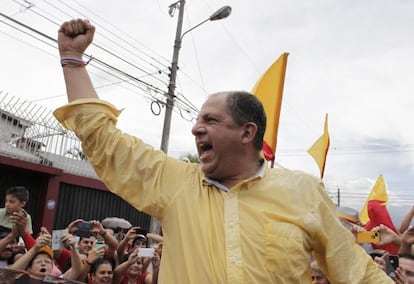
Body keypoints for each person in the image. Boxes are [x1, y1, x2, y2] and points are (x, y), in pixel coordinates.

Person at [54, 19, 392, 283]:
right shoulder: (174, 183)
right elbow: (103, 140)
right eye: (197, 120)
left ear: (247, 132)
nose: (196, 128)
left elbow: (357, 273)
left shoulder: (303, 192)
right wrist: (72, 61)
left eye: (211, 120)